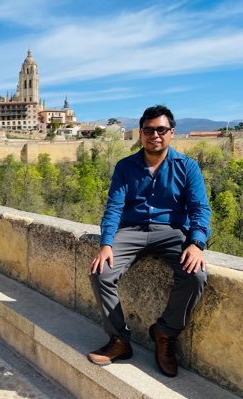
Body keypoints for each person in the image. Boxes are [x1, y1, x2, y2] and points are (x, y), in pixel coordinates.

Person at [88, 105, 211, 377]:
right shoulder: (126, 167)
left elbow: (200, 208)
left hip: (172, 231)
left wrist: (196, 242)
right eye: (148, 130)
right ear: (141, 133)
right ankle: (119, 340)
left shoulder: (187, 167)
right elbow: (114, 208)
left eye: (161, 129)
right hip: (131, 230)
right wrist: (106, 243)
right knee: (101, 273)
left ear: (171, 133)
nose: (154, 134)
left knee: (197, 275)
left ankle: (165, 333)